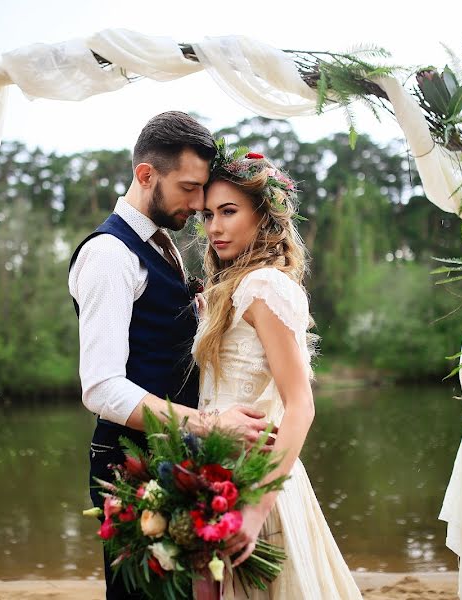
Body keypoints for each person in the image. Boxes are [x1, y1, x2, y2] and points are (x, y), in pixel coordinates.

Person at [68, 112, 274, 600]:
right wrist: (207, 424)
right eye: (188, 188)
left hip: (172, 459)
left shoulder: (161, 246)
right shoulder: (109, 256)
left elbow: (159, 338)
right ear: (146, 175)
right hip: (129, 466)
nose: (199, 203)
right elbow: (101, 388)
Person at [194, 147, 363, 599]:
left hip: (252, 480)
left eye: (228, 212)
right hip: (210, 474)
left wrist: (253, 510)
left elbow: (300, 405)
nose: (214, 227)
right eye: (208, 214)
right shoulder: (231, 289)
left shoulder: (264, 286)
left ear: (264, 216)